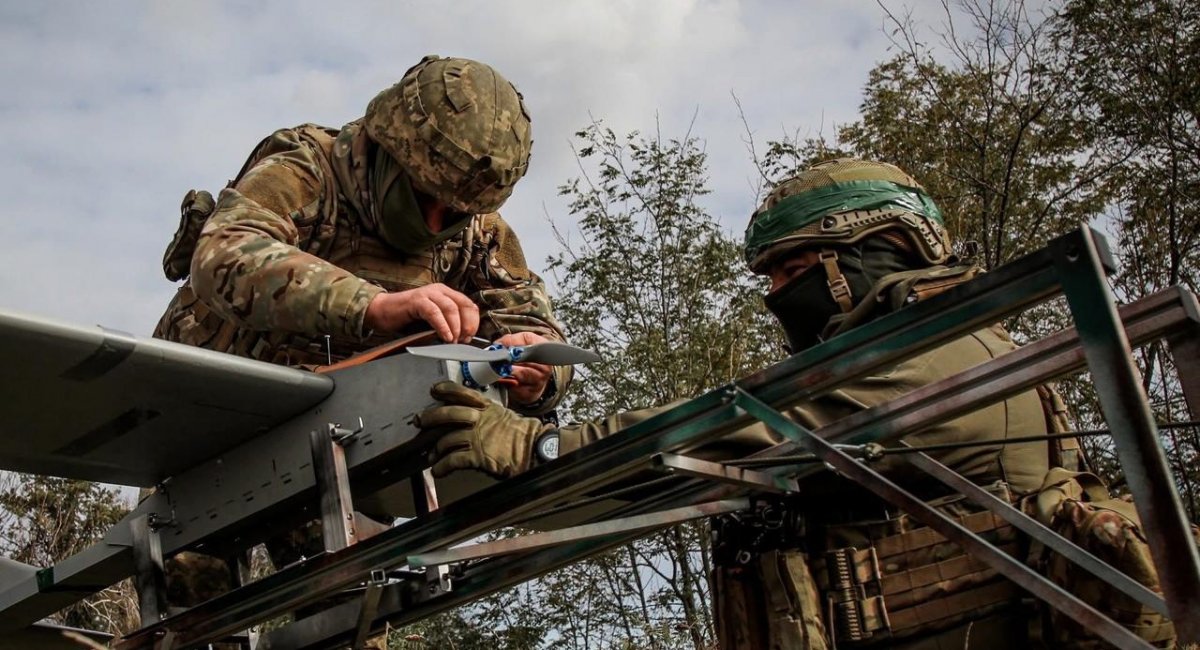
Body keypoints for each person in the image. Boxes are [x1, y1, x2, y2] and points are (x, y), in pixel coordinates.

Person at [416, 159, 1090, 648]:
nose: (776, 295)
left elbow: (742, 428)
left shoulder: (942, 355)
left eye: (793, 272)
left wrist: (541, 447)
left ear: (871, 252)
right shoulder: (927, 346)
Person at [149, 55, 573, 645]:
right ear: (388, 149)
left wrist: (536, 370)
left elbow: (535, 325)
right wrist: (371, 305)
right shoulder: (310, 168)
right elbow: (225, 255)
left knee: (356, 616)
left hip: (330, 455)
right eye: (425, 195)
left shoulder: (478, 227)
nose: (434, 221)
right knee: (191, 620)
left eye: (454, 212)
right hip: (204, 437)